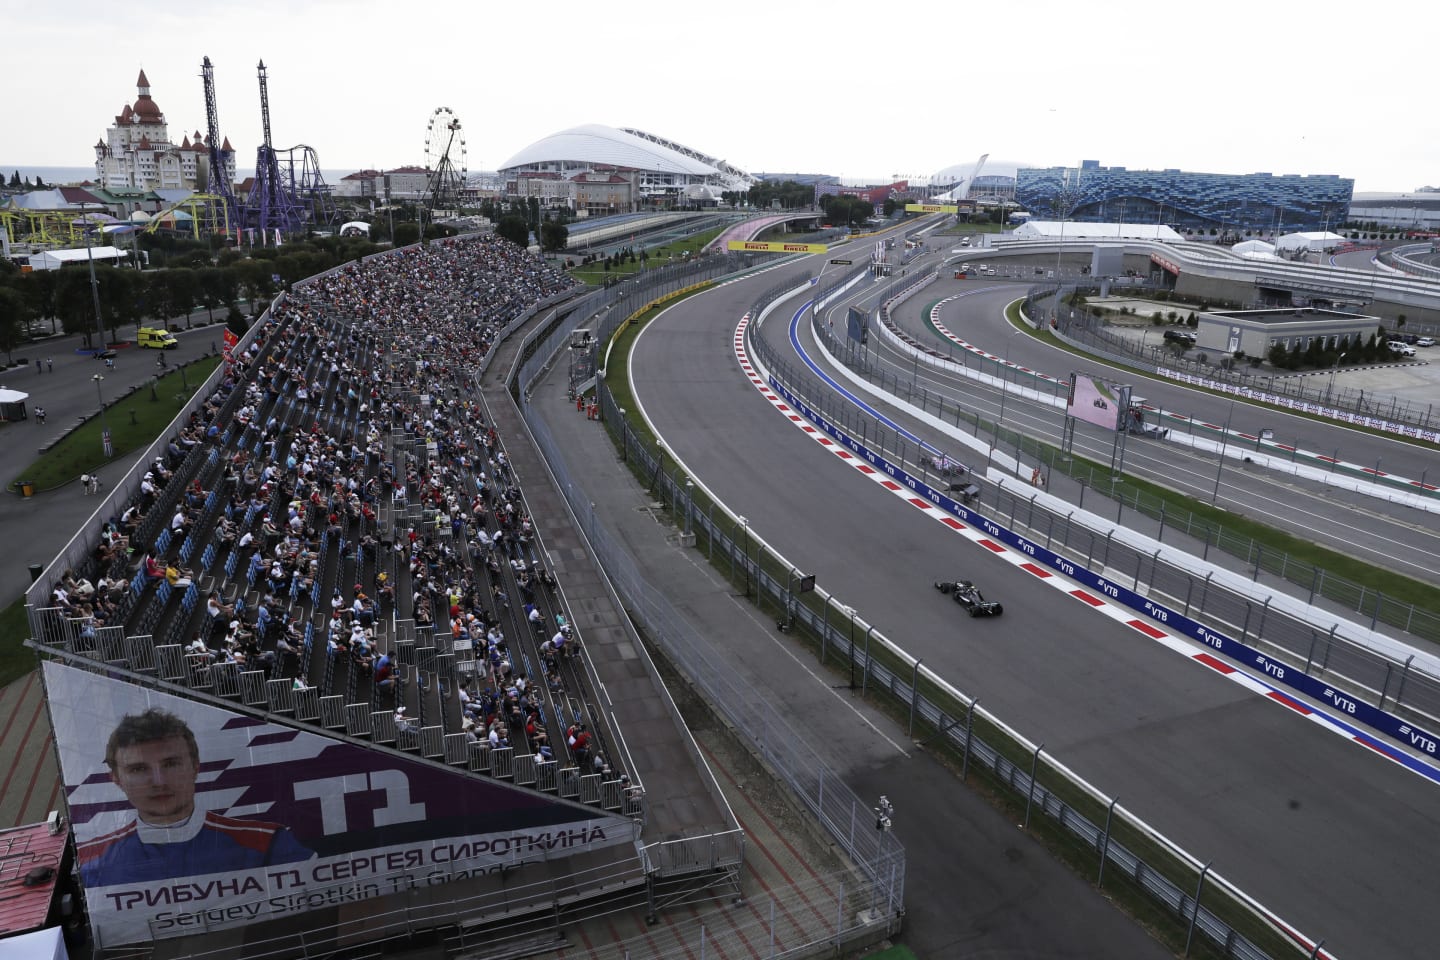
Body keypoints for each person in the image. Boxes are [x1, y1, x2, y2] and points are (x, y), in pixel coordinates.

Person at [77, 708, 313, 887]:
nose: (159, 782)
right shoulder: (89, 862)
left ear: (196, 767)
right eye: (138, 769)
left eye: (170, 764)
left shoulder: (269, 843)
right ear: (116, 779)